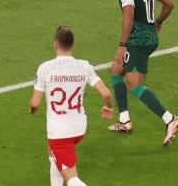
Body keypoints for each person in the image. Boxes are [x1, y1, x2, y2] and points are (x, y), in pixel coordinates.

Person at [107, 0, 178, 145]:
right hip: (150, 37)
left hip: (137, 41)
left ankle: (170, 119)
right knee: (116, 71)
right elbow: (170, 3)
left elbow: (128, 16)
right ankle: (125, 120)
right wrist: (157, 22)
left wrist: (123, 45)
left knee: (135, 84)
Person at [30, 26, 115, 186]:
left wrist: (33, 110)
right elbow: (106, 94)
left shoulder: (45, 68)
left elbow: (34, 103)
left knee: (72, 179)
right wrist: (109, 107)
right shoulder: (85, 66)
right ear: (74, 45)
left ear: (55, 44)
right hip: (79, 128)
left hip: (60, 132)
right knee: (54, 157)